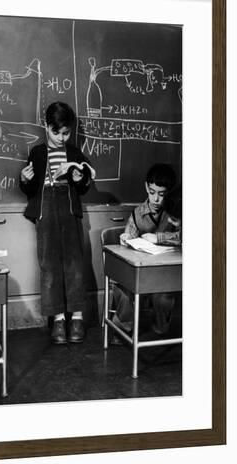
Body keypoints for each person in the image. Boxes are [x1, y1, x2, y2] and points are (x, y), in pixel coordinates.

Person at [19, 101, 96, 344]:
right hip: (46, 212)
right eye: (56, 132)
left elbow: (83, 188)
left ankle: (77, 318)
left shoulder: (74, 153)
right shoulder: (37, 153)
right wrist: (24, 178)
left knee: (74, 265)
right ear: (46, 126)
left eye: (66, 133)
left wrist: (79, 178)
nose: (62, 138)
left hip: (69, 211)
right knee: (49, 267)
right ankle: (59, 320)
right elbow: (30, 189)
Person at [112, 163, 182, 337]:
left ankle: (160, 326)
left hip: (166, 273)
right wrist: (126, 238)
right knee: (121, 286)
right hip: (142, 271)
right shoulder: (138, 213)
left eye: (161, 194)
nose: (156, 200)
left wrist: (159, 238)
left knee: (163, 295)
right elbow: (129, 236)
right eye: (152, 193)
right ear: (146, 187)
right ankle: (123, 326)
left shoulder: (176, 210)